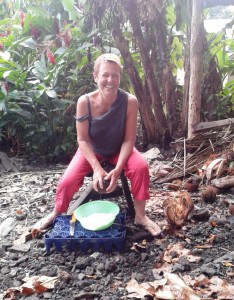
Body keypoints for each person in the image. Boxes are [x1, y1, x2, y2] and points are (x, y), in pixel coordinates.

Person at [32, 53, 161, 237]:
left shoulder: (130, 102)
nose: (110, 80)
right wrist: (96, 167)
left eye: (115, 75)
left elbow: (129, 140)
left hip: (119, 148)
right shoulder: (84, 102)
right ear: (95, 77)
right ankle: (57, 212)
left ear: (120, 77)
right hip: (92, 150)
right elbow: (82, 140)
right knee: (67, 181)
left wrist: (117, 169)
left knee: (140, 167)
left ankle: (141, 215)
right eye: (105, 75)